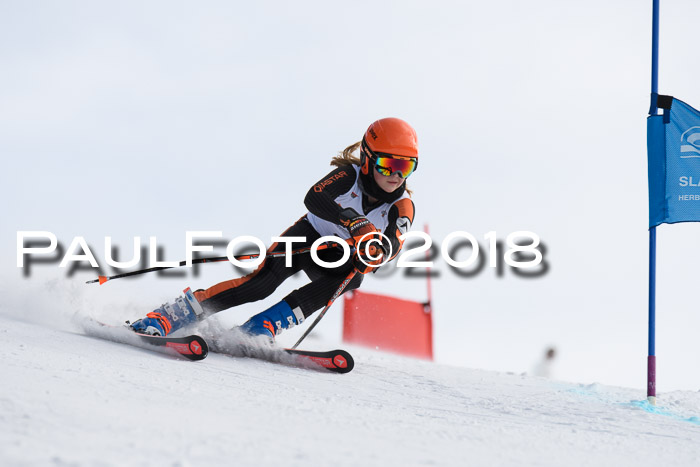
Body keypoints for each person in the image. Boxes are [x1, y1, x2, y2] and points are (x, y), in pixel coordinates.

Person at [128, 117, 419, 340]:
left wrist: (374, 254)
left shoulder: (402, 206)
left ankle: (261, 326)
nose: (395, 175)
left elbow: (393, 245)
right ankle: (170, 316)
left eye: (405, 167)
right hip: (308, 236)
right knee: (260, 285)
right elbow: (314, 197)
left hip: (340, 258)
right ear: (367, 160)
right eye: (387, 164)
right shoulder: (348, 176)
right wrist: (352, 220)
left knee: (353, 279)